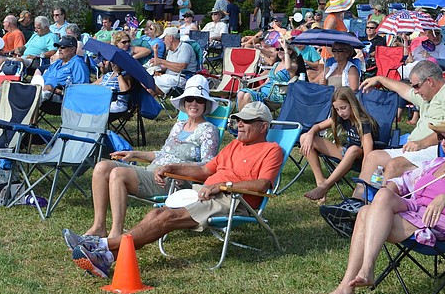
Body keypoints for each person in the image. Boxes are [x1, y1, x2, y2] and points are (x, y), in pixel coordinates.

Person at [63, 102, 283, 278]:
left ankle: (99, 245)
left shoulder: (272, 151)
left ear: (263, 126)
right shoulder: (234, 145)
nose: (240, 125)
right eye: (238, 121)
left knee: (167, 216)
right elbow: (206, 169)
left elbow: (262, 184)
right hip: (204, 191)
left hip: (232, 200)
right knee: (156, 213)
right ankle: (106, 258)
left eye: (246, 121)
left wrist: (223, 186)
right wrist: (171, 167)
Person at [304, 110, 445, 294]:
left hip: (441, 220)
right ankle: (360, 275)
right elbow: (405, 181)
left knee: (367, 214)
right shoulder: (437, 163)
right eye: (441, 137)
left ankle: (349, 287)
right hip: (415, 210)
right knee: (374, 204)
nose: (443, 142)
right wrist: (390, 189)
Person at [320, 61, 445, 236]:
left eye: (417, 86)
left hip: (440, 150)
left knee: (395, 165)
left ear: (430, 81)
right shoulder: (428, 97)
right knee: (373, 157)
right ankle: (354, 207)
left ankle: (376, 216)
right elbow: (403, 90)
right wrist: (379, 78)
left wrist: (422, 143)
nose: (415, 90)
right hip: (416, 148)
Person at [71, 75, 220, 242]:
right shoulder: (179, 125)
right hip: (152, 172)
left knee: (118, 174)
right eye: (190, 99)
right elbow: (164, 153)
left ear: (205, 104)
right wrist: (134, 154)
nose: (194, 103)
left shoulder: (208, 130)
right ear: (184, 103)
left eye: (199, 100)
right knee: (102, 167)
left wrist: (174, 167)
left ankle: (116, 234)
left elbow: (208, 165)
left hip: (173, 180)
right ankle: (99, 226)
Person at [301, 86, 377, 204]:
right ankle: (320, 182)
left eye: (343, 108)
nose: (340, 112)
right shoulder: (342, 118)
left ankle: (325, 186)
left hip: (364, 157)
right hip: (348, 154)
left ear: (352, 104)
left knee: (353, 149)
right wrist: (310, 133)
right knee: (304, 138)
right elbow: (318, 126)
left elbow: (368, 152)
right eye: (337, 109)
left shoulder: (363, 122)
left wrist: (364, 174)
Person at [235, 39, 303, 109]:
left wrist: (285, 48)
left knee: (247, 96)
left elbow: (288, 67)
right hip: (263, 91)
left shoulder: (293, 66)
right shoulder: (276, 64)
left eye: (282, 49)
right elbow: (268, 81)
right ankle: (241, 118)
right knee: (241, 94)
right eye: (278, 49)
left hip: (275, 94)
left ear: (290, 51)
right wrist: (258, 87)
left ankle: (249, 119)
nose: (279, 51)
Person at [40, 36, 90, 100]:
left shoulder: (78, 63)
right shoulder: (57, 62)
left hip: (62, 97)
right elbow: (44, 78)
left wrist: (55, 90)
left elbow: (81, 88)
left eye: (63, 47)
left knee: (34, 98)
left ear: (73, 49)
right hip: (43, 90)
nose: (59, 49)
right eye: (58, 47)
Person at [152, 27, 198, 95]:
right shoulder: (170, 50)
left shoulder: (184, 47)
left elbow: (181, 67)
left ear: (171, 38)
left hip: (181, 79)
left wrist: (161, 61)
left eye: (164, 38)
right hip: (169, 78)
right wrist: (156, 67)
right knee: (147, 82)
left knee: (149, 83)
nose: (163, 41)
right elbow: (168, 66)